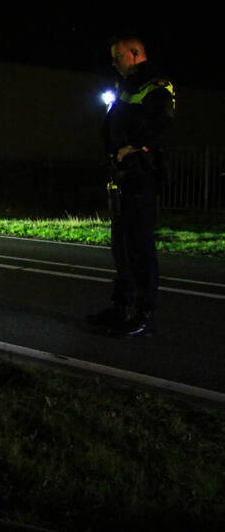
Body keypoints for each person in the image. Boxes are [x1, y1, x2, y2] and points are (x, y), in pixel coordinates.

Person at [88, 35, 175, 337]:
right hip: (121, 175)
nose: (114, 63)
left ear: (136, 54)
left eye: (119, 57)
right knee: (121, 245)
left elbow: (161, 123)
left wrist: (136, 147)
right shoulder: (124, 87)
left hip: (141, 176)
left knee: (139, 246)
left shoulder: (156, 84)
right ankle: (120, 306)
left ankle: (143, 312)